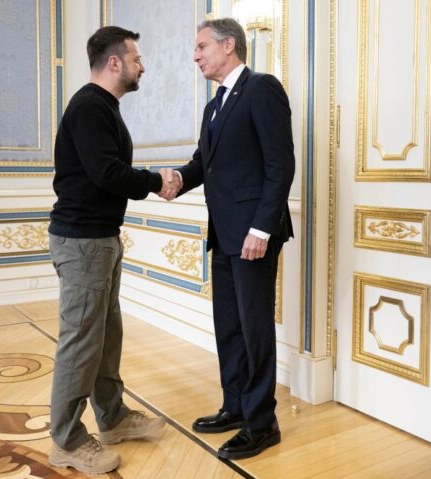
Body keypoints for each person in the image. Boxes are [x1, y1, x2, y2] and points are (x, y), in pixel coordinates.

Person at [48, 26, 180, 475]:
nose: (143, 65)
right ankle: (66, 441)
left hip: (100, 238)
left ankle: (114, 418)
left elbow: (106, 171)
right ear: (115, 63)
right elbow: (107, 173)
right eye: (137, 57)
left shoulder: (103, 106)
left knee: (106, 336)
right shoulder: (89, 106)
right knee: (82, 342)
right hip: (83, 241)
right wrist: (155, 180)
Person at [164, 17, 295, 460]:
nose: (196, 55)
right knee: (230, 326)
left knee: (255, 328)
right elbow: (204, 163)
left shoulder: (262, 88)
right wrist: (174, 180)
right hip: (223, 233)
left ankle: (263, 424)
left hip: (254, 234)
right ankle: (236, 406)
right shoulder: (214, 106)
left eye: (202, 46)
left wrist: (262, 228)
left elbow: (281, 165)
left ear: (229, 45)